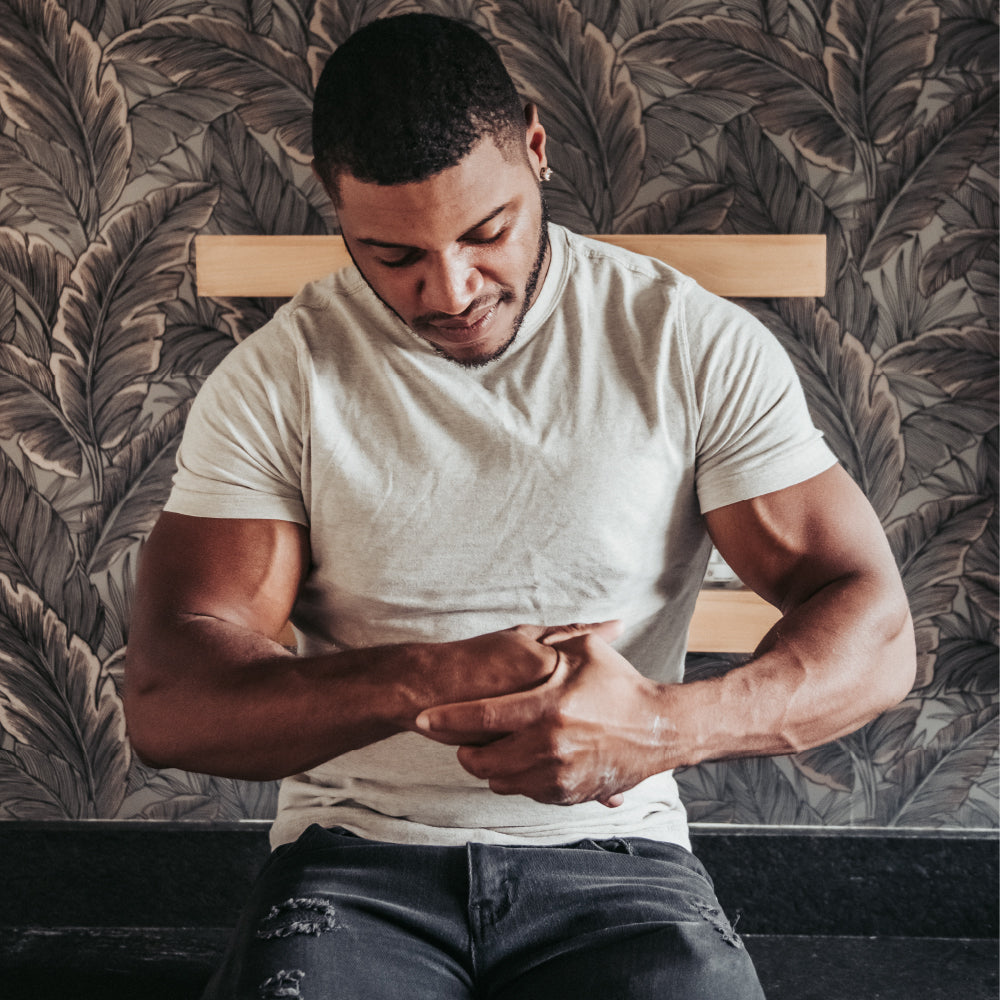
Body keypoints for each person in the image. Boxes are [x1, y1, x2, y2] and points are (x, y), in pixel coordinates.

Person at [124, 13, 916, 999]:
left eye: (484, 232)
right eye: (392, 254)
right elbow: (170, 697)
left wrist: (663, 729)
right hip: (357, 863)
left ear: (535, 149)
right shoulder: (279, 380)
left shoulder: (686, 342)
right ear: (338, 214)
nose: (449, 288)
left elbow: (874, 628)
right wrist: (433, 677)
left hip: (616, 860)